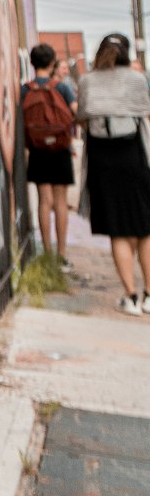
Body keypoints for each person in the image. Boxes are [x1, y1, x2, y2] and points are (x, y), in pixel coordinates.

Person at [76, 33, 150, 316]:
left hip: (102, 160)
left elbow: (82, 116)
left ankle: (130, 296)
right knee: (145, 228)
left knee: (118, 228)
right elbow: (144, 110)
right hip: (135, 156)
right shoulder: (136, 79)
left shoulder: (87, 80)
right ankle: (149, 295)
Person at [22, 43, 76, 265]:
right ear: (52, 63)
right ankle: (62, 254)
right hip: (60, 149)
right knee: (60, 202)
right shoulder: (61, 88)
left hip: (37, 150)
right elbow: (74, 112)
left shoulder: (25, 89)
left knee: (44, 200)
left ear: (32, 63)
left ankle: (46, 252)